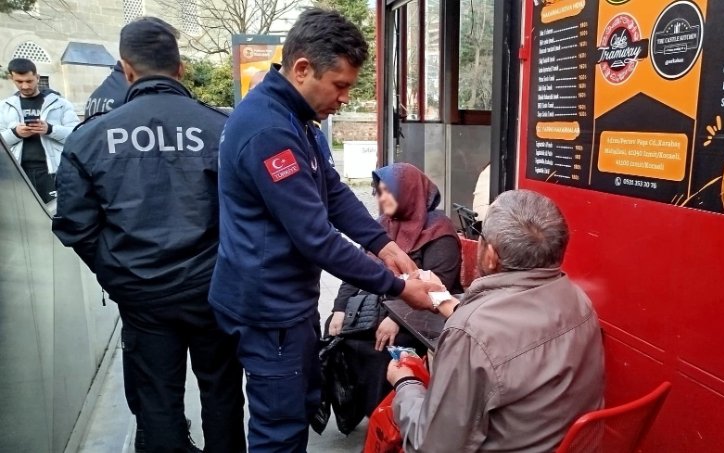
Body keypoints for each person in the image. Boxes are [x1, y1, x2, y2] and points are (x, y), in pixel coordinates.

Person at [211, 8, 441, 451]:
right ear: (302, 69)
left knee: (298, 404)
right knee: (279, 427)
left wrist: (382, 243)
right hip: (267, 308)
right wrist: (395, 286)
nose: (344, 98)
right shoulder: (268, 130)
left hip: (287, 301)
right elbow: (316, 238)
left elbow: (333, 192)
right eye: (340, 86)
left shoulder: (298, 119)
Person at [52, 17, 245, 453]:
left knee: (156, 400)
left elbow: (75, 225)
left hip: (141, 295)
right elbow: (249, 214)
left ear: (126, 69)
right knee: (223, 392)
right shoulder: (223, 129)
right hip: (213, 290)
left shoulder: (90, 137)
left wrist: (119, 273)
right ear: (180, 69)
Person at [387, 190, 605, 452]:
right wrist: (445, 301)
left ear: (490, 255)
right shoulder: (579, 301)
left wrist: (405, 383)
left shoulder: (469, 335)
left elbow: (433, 445)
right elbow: (513, 335)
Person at [327, 162, 462, 417]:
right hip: (379, 305)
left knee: (386, 343)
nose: (381, 197)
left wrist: (396, 319)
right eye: (378, 191)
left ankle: (390, 414)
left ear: (409, 191)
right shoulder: (382, 226)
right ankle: (363, 411)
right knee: (336, 332)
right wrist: (339, 308)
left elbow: (437, 284)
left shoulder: (438, 230)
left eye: (388, 191)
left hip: (424, 316)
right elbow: (356, 271)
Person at [0, 58, 78, 203]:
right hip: (19, 173)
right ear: (12, 79)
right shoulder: (4, 107)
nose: (24, 86)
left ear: (37, 77)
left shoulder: (61, 104)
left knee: (57, 214)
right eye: (19, 81)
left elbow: (77, 135)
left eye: (29, 81)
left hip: (53, 171)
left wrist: (50, 129)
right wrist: (16, 133)